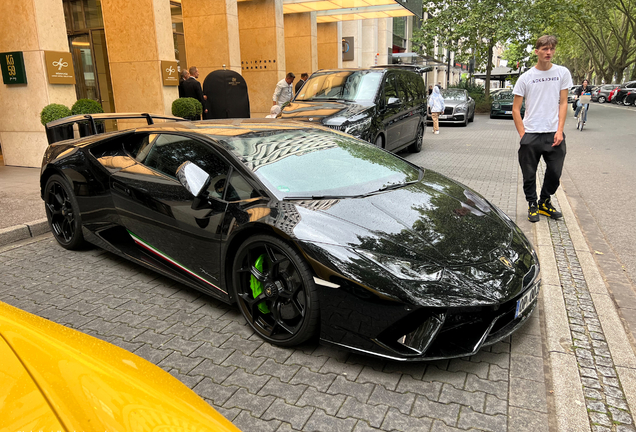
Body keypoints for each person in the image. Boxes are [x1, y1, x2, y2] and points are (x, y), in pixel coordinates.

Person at [512, 35, 572, 223]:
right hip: (531, 134)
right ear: (536, 51)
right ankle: (532, 204)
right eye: (545, 49)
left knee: (555, 172)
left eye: (552, 49)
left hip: (553, 133)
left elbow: (563, 103)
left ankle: (544, 202)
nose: (548, 52)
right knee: (529, 175)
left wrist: (559, 129)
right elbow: (515, 109)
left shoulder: (562, 73)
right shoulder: (526, 78)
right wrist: (523, 135)